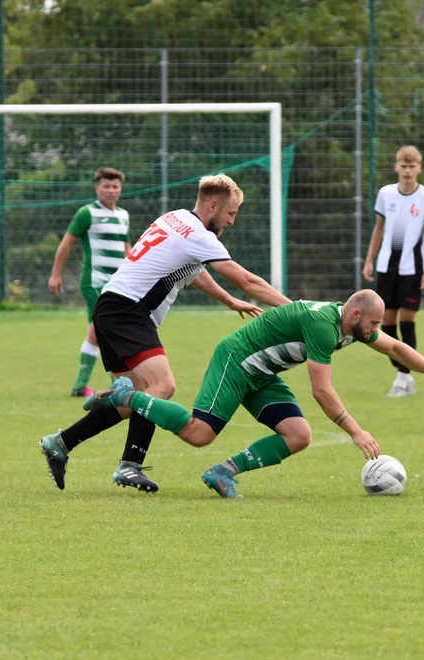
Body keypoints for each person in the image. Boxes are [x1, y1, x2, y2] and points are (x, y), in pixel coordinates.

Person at [39, 174, 292, 493]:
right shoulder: (200, 235)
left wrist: (228, 300)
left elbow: (195, 271)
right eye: (231, 213)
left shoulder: (175, 218)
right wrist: (295, 308)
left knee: (135, 398)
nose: (231, 220)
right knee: (162, 387)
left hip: (112, 306)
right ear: (213, 205)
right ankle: (129, 465)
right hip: (126, 311)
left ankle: (61, 443)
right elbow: (247, 280)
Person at [84, 290, 424, 498]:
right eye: (372, 323)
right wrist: (356, 430)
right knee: (199, 434)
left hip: (263, 372)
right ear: (354, 316)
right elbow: (321, 390)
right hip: (236, 361)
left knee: (298, 435)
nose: (374, 331)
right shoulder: (324, 325)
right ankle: (129, 395)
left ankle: (224, 473)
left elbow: (396, 348)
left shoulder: (353, 325)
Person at [362, 146, 424, 398]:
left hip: (412, 268)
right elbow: (379, 229)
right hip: (387, 267)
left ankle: (403, 377)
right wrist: (369, 260)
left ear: (419, 168)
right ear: (396, 167)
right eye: (403, 166)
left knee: (408, 320)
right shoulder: (386, 194)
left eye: (412, 166)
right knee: (384, 323)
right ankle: (402, 369)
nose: (407, 171)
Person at [47, 167, 132, 397]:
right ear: (97, 188)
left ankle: (81, 386)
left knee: (96, 333)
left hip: (117, 284)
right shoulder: (87, 213)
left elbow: (127, 250)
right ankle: (119, 385)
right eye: (106, 186)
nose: (111, 191)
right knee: (108, 330)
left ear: (120, 189)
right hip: (94, 283)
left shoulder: (123, 215)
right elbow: (66, 244)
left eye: (115, 186)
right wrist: (56, 274)